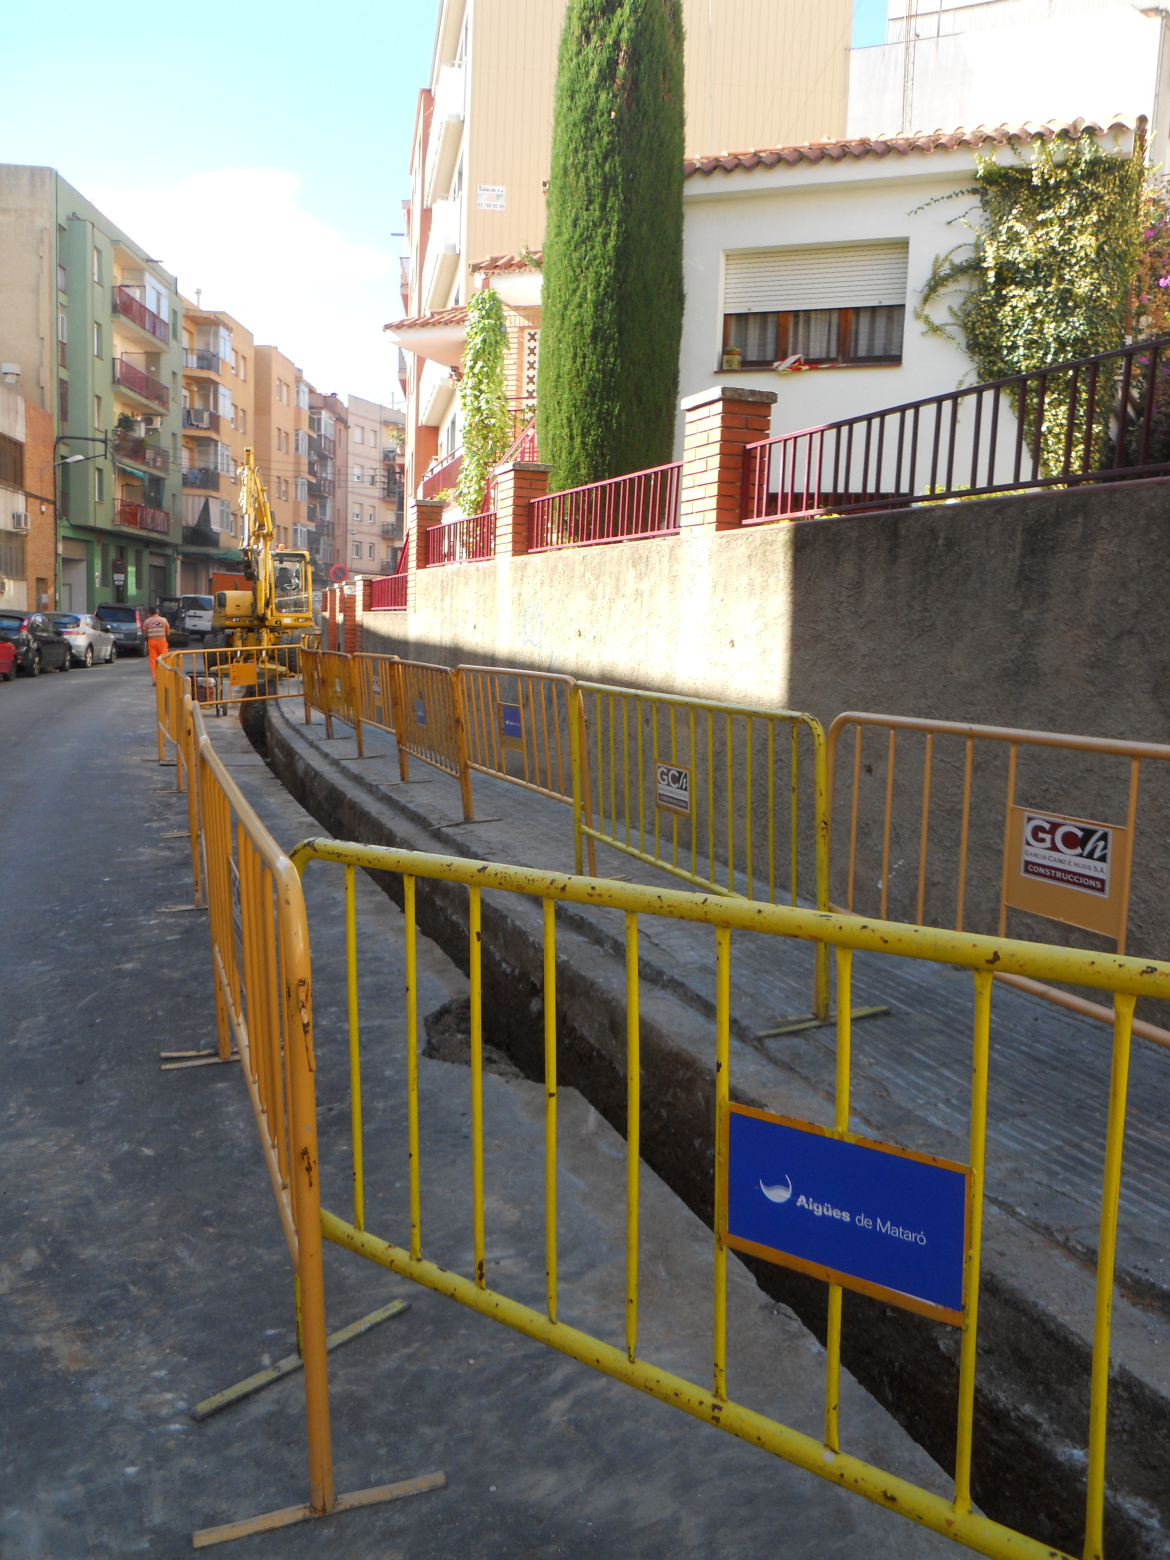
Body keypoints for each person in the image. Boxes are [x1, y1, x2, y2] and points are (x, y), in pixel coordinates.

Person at [143, 604, 170, 683]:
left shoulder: (147, 621)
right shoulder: (164, 620)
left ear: (150, 613)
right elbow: (168, 633)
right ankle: (164, 678)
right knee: (164, 660)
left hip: (151, 642)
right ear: (158, 613)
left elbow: (144, 634)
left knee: (153, 661)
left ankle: (155, 680)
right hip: (162, 642)